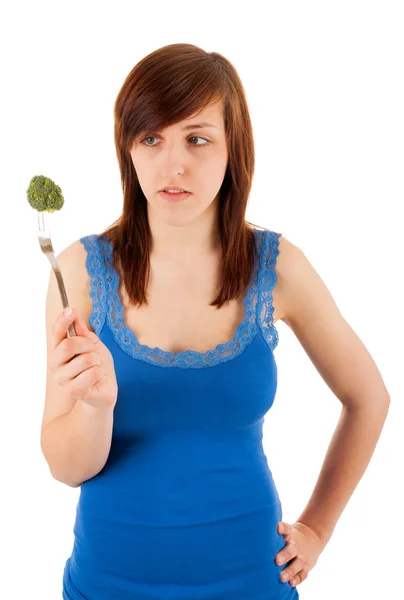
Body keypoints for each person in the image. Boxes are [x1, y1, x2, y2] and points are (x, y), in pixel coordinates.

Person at [40, 43, 390, 600]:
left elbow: (368, 397)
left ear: (234, 150)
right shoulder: (78, 272)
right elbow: (66, 466)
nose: (173, 164)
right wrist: (95, 404)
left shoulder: (280, 268)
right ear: (127, 148)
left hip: (252, 582)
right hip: (106, 585)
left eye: (197, 139)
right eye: (151, 138)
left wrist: (319, 529)